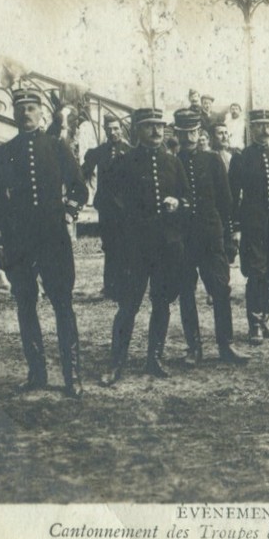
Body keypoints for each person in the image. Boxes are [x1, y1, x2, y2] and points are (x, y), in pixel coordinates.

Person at [0, 89, 89, 398]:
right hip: (18, 242)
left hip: (53, 238)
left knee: (62, 304)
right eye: (21, 109)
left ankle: (73, 377)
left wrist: (68, 213)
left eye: (31, 108)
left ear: (42, 113)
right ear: (14, 114)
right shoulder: (3, 153)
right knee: (26, 304)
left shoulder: (57, 147)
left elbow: (79, 188)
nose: (26, 114)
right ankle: (37, 374)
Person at [99, 108, 188, 386]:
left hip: (165, 247)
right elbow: (105, 202)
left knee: (161, 303)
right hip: (134, 248)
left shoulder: (173, 162)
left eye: (160, 126)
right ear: (137, 130)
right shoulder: (123, 163)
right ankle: (117, 363)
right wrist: (118, 243)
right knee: (129, 305)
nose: (156, 132)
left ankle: (155, 358)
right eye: (149, 126)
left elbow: (187, 200)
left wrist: (178, 203)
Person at [173, 107, 249, 365]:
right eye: (183, 132)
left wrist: (229, 237)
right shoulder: (172, 163)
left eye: (193, 131)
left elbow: (226, 203)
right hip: (183, 241)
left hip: (211, 238)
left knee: (220, 290)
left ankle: (226, 345)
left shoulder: (213, 161)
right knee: (186, 292)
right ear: (177, 133)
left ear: (200, 132)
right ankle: (194, 348)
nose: (189, 137)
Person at [229, 109, 269, 345]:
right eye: (260, 125)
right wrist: (235, 226)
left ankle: (264, 320)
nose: (265, 130)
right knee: (256, 272)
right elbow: (233, 195)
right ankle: (254, 324)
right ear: (251, 129)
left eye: (268, 125)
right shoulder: (241, 157)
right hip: (252, 224)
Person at [81, 115, 131, 300]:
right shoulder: (99, 152)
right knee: (109, 246)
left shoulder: (130, 151)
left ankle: (126, 287)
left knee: (125, 246)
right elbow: (84, 170)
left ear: (121, 129)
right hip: (106, 208)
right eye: (109, 129)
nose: (113, 132)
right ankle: (109, 287)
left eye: (116, 128)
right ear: (105, 130)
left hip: (125, 209)